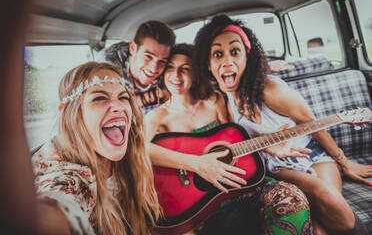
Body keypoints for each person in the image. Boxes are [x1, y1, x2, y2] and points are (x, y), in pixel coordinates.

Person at [193, 14, 371, 235]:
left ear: (247, 57)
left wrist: (344, 161)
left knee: (333, 202)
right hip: (277, 165)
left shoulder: (270, 89)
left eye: (235, 51)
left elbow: (311, 124)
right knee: (318, 226)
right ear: (208, 64)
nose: (227, 61)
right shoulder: (223, 100)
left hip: (312, 154)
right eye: (218, 54)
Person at [145, 43, 313, 235]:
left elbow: (233, 139)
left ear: (197, 73)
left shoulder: (214, 100)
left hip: (239, 185)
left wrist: (266, 146)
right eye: (171, 68)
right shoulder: (157, 117)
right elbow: (139, 150)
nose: (176, 75)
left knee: (292, 199)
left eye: (185, 69)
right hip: (198, 199)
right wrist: (197, 164)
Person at [31, 62, 161, 234]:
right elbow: (56, 203)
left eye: (123, 97)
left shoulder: (128, 148)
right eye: (99, 98)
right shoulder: (66, 175)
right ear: (69, 112)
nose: (119, 107)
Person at [105, 20, 176, 114]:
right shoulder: (109, 69)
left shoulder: (170, 70)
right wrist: (152, 96)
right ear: (133, 48)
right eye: (148, 56)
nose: (154, 68)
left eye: (162, 61)